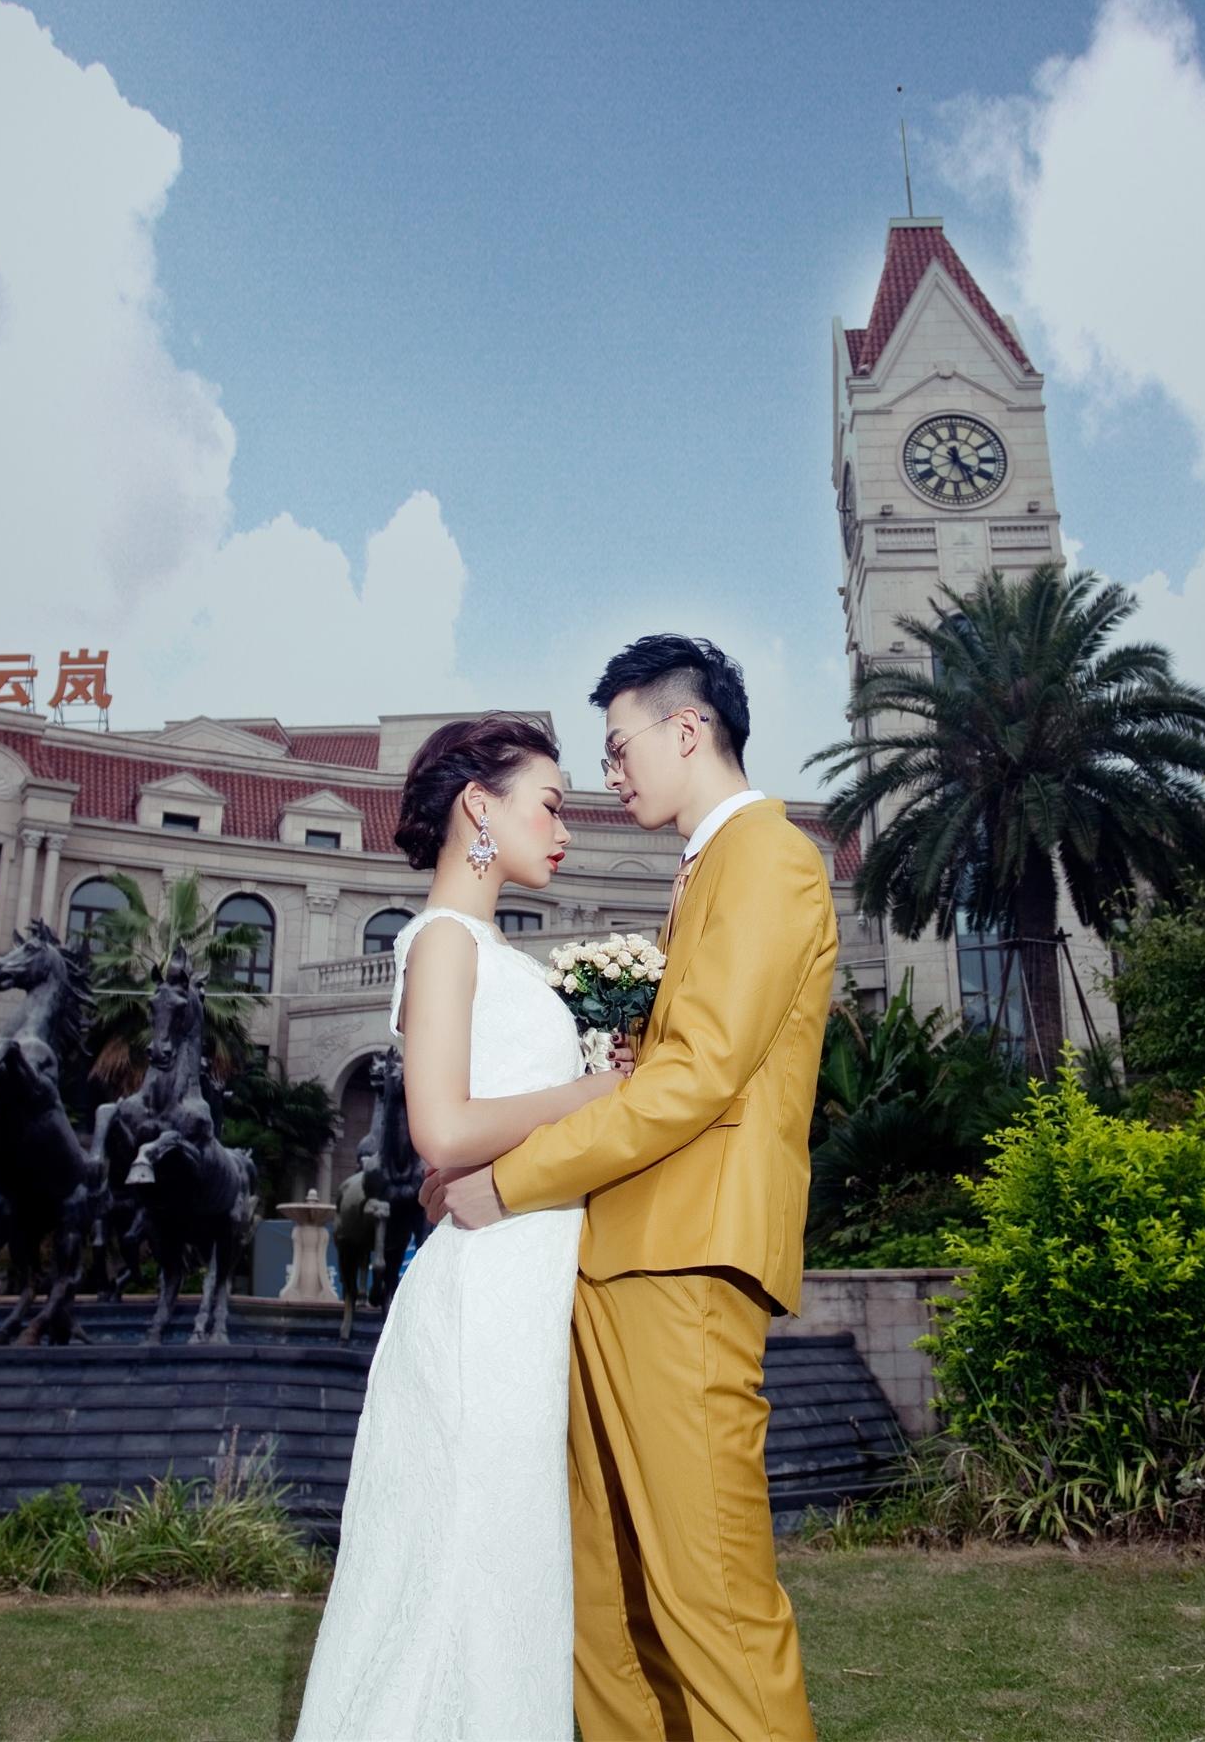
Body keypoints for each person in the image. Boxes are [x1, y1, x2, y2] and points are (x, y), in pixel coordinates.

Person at [435, 635, 834, 1742]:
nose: (609, 774)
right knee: (606, 1605)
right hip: (618, 1261)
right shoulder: (706, 869)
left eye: (618, 747)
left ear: (687, 728)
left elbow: (697, 1078)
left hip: (688, 1265)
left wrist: (510, 1181)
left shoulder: (768, 857)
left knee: (711, 1604)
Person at [293, 713, 628, 1741]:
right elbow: (439, 1129)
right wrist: (598, 1090)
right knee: (466, 1563)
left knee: (504, 1568)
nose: (565, 829)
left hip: (523, 1278)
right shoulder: (440, 939)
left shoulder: (489, 948)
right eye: (551, 805)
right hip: (486, 1297)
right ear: (480, 805)